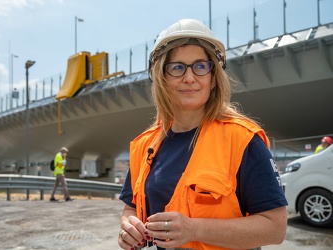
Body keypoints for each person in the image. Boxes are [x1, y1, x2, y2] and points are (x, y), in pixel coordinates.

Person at [118, 19, 287, 250]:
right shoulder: (145, 145)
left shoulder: (242, 139)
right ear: (161, 78)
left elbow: (275, 228)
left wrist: (194, 229)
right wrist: (128, 226)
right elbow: (130, 207)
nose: (189, 78)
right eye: (177, 67)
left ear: (213, 77)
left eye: (200, 66)